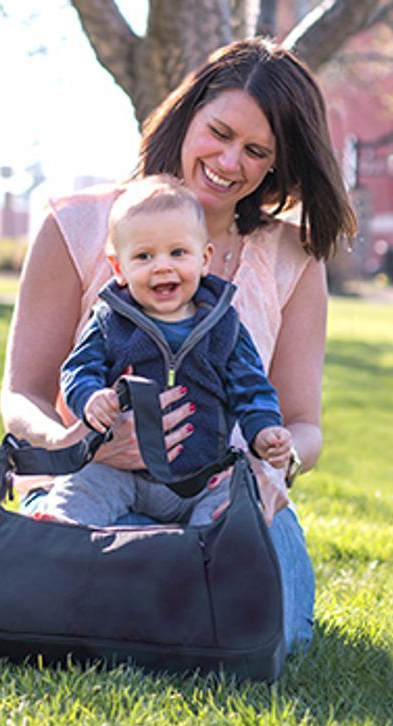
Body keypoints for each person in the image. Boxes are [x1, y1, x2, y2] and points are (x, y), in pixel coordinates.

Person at [0, 38, 357, 652]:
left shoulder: (291, 259)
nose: (228, 160)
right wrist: (72, 443)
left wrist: (279, 455)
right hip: (94, 489)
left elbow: (305, 425)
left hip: (225, 504)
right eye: (218, 132)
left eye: (256, 151)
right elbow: (22, 394)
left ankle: (149, 606)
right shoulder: (79, 224)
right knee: (131, 570)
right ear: (187, 114)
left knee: (272, 627)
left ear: (276, 164)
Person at [35, 174, 292, 527]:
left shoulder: (225, 325)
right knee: (84, 486)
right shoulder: (111, 319)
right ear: (118, 268)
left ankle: (210, 549)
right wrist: (90, 397)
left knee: (230, 502)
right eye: (143, 256)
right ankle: (59, 530)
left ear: (204, 259)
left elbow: (252, 387)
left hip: (202, 478)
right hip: (122, 472)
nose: (162, 266)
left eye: (178, 252)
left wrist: (263, 429)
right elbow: (79, 369)